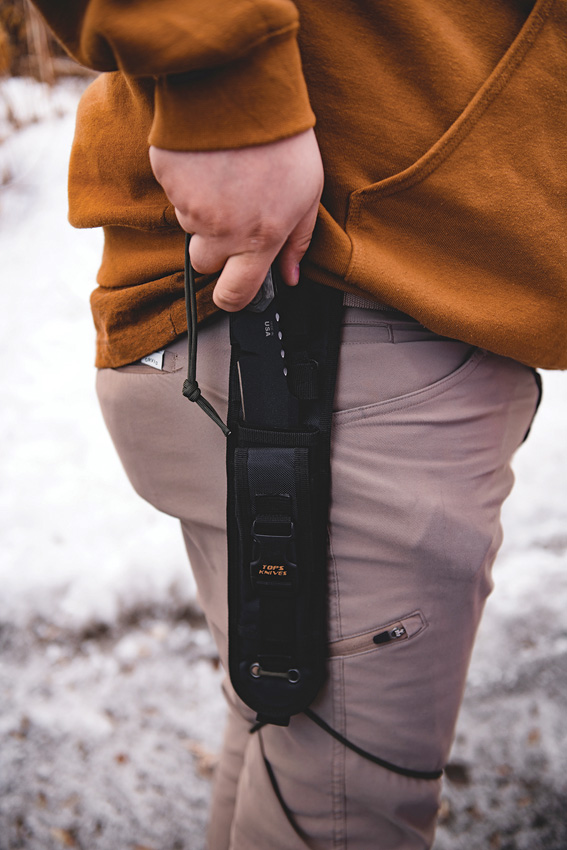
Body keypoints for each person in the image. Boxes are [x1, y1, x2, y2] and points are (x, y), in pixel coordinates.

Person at [31, 0, 567, 847]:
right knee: (342, 806)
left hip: (344, 309)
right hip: (329, 308)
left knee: (281, 741)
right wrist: (225, 91)